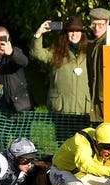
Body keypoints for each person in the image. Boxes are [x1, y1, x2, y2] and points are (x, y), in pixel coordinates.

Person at [30, 16, 91, 146]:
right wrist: (39, 33)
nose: (74, 34)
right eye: (71, 31)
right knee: (63, 146)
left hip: (83, 110)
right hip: (61, 109)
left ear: (82, 34)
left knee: (83, 146)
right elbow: (37, 53)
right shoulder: (56, 51)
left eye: (77, 31)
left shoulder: (90, 52)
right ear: (66, 34)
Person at [0, 26, 35, 152]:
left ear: (8, 40)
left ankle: (22, 172)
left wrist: (11, 53)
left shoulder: (15, 53)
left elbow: (24, 61)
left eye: (2, 39)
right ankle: (1, 170)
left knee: (22, 149)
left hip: (20, 111)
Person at [87, 8, 110, 123]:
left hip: (109, 104)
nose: (96, 28)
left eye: (100, 24)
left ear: (108, 23)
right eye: (94, 24)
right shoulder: (93, 44)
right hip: (98, 102)